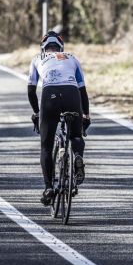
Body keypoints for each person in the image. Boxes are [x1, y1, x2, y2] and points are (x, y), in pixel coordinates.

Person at [27, 31, 91, 205]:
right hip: (72, 94)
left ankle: (48, 187)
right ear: (61, 47)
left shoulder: (37, 59)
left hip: (50, 96)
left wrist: (37, 112)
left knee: (46, 146)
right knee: (76, 136)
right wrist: (86, 115)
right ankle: (77, 155)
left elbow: (31, 90)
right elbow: (82, 90)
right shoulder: (72, 58)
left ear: (43, 47)